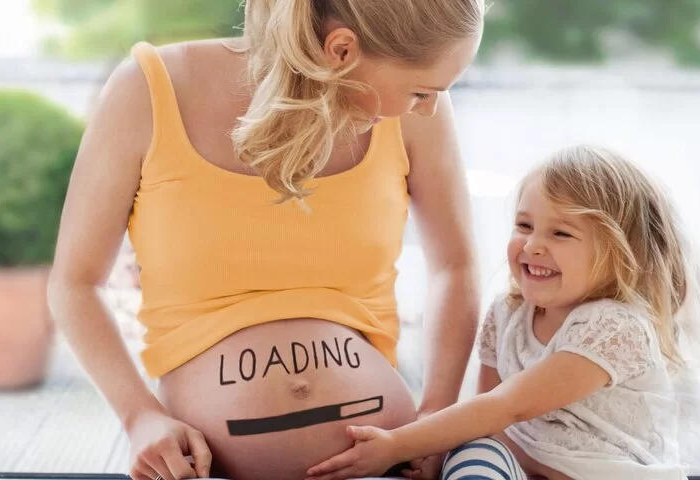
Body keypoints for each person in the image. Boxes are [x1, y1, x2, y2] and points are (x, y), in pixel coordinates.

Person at [47, 1, 485, 479]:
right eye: (421, 91)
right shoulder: (146, 90)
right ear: (342, 50)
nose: (431, 106)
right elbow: (75, 283)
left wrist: (435, 421)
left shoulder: (416, 116)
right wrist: (139, 415)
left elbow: (455, 266)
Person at [305, 145, 700, 480]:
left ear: (622, 251)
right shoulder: (508, 312)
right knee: (474, 448)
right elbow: (489, 417)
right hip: (526, 467)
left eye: (560, 233)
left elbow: (507, 406)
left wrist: (398, 445)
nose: (532, 246)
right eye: (524, 225)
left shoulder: (614, 326)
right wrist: (438, 449)